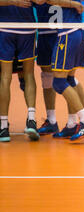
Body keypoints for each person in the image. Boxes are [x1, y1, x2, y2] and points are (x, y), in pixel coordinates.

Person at [46, 0, 84, 140]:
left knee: (58, 82)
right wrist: (74, 4)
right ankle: (74, 123)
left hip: (67, 35)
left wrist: (73, 4)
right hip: (76, 32)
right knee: (69, 79)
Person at [0, 0, 42, 142]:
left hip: (5, 28)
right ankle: (31, 120)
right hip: (26, 29)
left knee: (5, 77)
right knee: (29, 74)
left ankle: (3, 127)